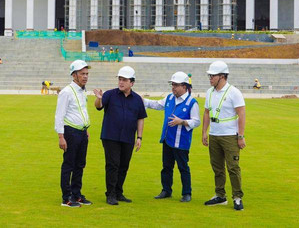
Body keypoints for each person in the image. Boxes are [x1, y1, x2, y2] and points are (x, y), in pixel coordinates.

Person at [93, 66, 147, 205]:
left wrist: (139, 137)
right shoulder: (110, 94)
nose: (121, 82)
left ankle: (118, 192)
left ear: (132, 83)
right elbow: (98, 106)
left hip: (128, 137)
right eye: (120, 79)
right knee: (113, 165)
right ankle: (110, 194)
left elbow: (140, 118)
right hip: (110, 136)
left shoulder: (137, 99)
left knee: (124, 165)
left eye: (124, 80)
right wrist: (99, 98)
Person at [143, 72, 200, 203]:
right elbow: (157, 104)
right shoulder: (169, 98)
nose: (173, 87)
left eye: (176, 85)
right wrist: (143, 101)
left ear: (184, 86)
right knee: (166, 167)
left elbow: (196, 121)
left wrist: (182, 121)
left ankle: (187, 193)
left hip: (181, 141)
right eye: (172, 84)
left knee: (183, 167)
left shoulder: (192, 102)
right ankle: (166, 190)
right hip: (168, 139)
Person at [202, 61, 246, 211]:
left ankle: (237, 197)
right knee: (217, 168)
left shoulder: (234, 92)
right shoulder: (209, 92)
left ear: (222, 76)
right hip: (214, 135)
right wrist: (204, 132)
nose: (210, 78)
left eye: (212, 76)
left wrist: (240, 136)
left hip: (229, 136)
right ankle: (220, 195)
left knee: (233, 167)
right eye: (210, 75)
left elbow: (241, 115)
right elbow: (207, 112)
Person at [54, 60, 93, 207]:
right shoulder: (66, 92)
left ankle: (77, 194)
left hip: (82, 132)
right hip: (70, 132)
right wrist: (61, 137)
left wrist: (86, 129)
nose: (85, 77)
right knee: (69, 164)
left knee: (80, 165)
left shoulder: (83, 90)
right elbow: (59, 115)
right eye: (82, 74)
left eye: (87, 74)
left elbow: (82, 111)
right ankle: (66, 197)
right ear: (74, 75)